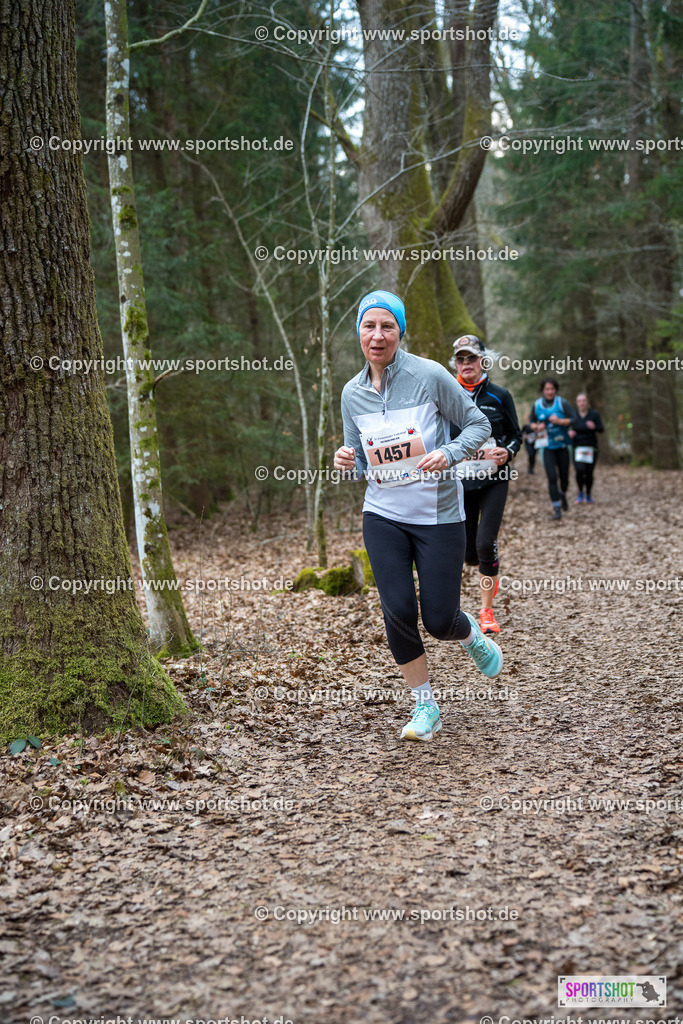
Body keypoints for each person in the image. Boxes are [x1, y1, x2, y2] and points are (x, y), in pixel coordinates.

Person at [333, 290, 505, 743]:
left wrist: (449, 453)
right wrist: (348, 460)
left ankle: (470, 635)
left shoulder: (429, 375)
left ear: (400, 332)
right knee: (398, 610)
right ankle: (425, 705)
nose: (377, 335)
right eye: (369, 326)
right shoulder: (352, 393)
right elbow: (363, 461)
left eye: (387, 326)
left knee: (439, 620)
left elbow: (479, 426)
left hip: (438, 515)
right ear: (358, 332)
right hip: (383, 514)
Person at [449, 336, 522, 635]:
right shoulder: (448, 396)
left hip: (495, 480)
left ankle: (486, 611)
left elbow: (517, 435)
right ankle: (489, 569)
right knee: (469, 554)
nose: (466, 364)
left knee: (484, 543)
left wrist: (509, 452)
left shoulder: (500, 395)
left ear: (483, 360)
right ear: (455, 363)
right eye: (461, 359)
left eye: (471, 358)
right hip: (461, 482)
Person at [530, 378, 574, 520]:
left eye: (552, 389)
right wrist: (537, 427)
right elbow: (530, 423)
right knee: (552, 477)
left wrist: (559, 421)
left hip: (562, 446)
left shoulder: (562, 403)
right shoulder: (537, 405)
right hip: (547, 447)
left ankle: (563, 493)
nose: (549, 392)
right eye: (547, 389)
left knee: (564, 477)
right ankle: (556, 508)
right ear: (543, 391)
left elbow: (574, 419)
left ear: (555, 390)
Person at [569, 392, 604, 503]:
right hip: (577, 448)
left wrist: (594, 427)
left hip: (591, 448)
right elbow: (567, 428)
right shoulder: (573, 415)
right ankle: (580, 492)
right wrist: (569, 433)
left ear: (587, 402)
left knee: (589, 472)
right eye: (579, 401)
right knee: (579, 470)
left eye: (584, 401)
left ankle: (588, 494)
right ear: (577, 403)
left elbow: (601, 429)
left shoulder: (594, 414)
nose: (582, 403)